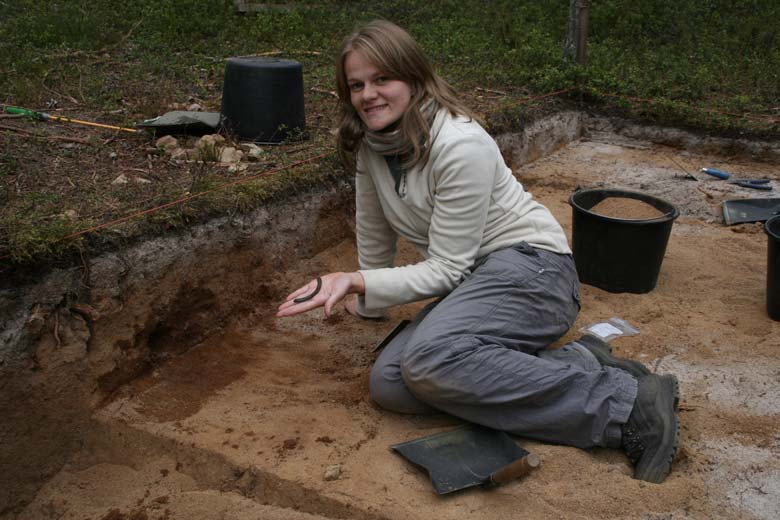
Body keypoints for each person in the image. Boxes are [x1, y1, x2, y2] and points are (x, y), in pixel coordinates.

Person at [276, 19, 679, 484]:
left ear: (414, 77)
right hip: (477, 279)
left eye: (382, 78)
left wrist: (355, 280)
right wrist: (370, 302)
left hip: (535, 271)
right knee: (391, 385)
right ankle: (578, 361)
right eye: (356, 84)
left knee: (429, 361)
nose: (368, 94)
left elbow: (447, 267)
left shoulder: (460, 144)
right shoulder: (371, 143)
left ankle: (626, 408)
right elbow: (374, 227)